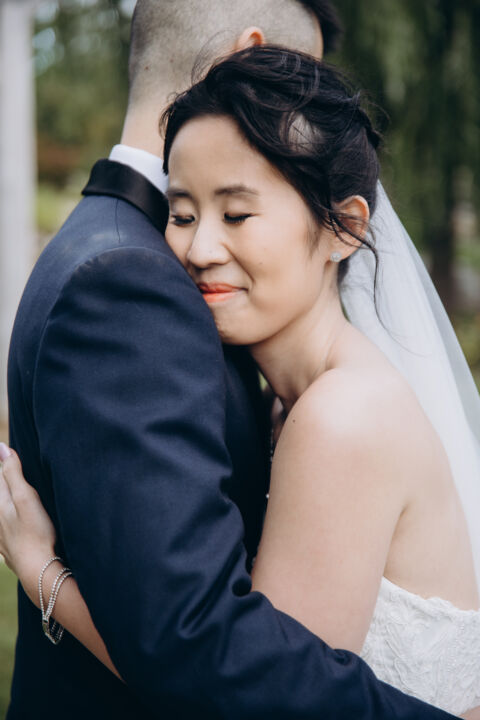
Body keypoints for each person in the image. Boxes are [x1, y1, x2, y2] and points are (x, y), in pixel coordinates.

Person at [1, 2, 477, 719]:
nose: (197, 250)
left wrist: (45, 573)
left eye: (237, 214)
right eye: (182, 214)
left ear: (345, 229)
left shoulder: (340, 418)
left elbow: (246, 693)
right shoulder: (294, 400)